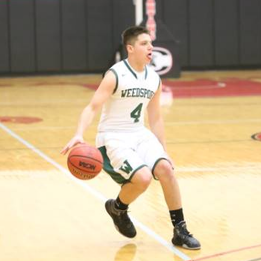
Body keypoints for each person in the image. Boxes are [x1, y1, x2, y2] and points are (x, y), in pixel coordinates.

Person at [61, 26, 200, 250]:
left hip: (139, 133)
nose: (151, 47)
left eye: (151, 43)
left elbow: (155, 119)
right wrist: (78, 134)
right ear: (130, 48)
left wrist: (164, 150)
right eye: (145, 43)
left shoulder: (154, 78)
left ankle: (180, 230)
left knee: (165, 169)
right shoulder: (115, 74)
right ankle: (118, 208)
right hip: (113, 137)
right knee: (143, 179)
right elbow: (92, 107)